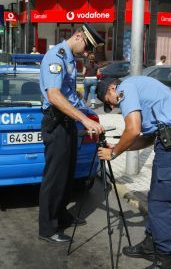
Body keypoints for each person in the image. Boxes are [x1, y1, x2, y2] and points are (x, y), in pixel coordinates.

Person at [97, 76, 171, 269]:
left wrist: (114, 153)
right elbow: (148, 138)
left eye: (109, 101)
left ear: (112, 88)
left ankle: (164, 259)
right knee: (156, 198)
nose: (115, 105)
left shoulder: (125, 88)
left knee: (162, 203)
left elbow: (133, 130)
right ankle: (151, 244)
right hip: (169, 140)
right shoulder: (137, 86)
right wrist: (117, 147)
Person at [39, 23, 105, 244]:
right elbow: (55, 96)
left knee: (67, 175)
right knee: (55, 177)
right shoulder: (55, 56)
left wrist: (90, 114)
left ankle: (62, 215)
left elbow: (72, 96)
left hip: (68, 124)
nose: (87, 54)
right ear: (78, 36)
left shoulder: (69, 59)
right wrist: (84, 119)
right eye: (87, 48)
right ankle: (48, 228)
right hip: (56, 123)